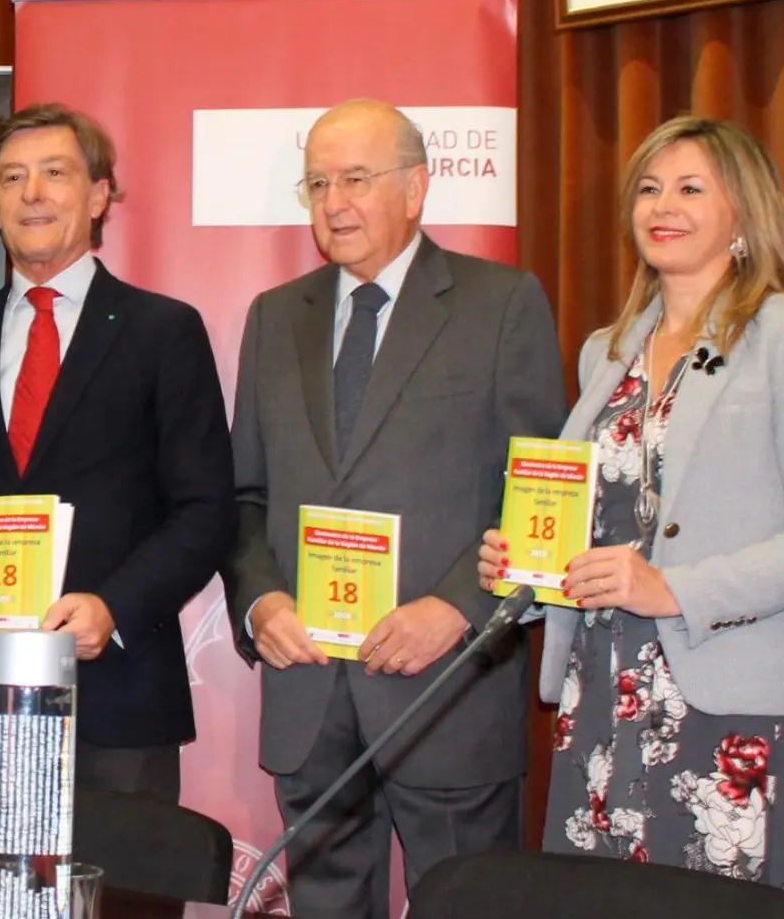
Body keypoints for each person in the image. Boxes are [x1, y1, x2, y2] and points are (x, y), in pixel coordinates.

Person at [482, 116, 784, 914]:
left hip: (736, 713)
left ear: (745, 213)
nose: (663, 205)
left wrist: (673, 588)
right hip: (605, 704)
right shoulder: (605, 350)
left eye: (691, 187)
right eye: (649, 188)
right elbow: (600, 521)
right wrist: (530, 567)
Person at [219, 99, 566, 919]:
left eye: (357, 178)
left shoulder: (502, 302)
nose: (334, 201)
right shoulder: (276, 316)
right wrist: (261, 599)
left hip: (449, 686)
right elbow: (245, 496)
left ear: (416, 187)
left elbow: (541, 490)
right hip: (310, 690)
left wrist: (457, 608)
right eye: (317, 181)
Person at [0, 102, 235, 801]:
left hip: (116, 693)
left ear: (100, 193)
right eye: (12, 178)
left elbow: (204, 511)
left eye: (55, 173)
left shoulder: (163, 332)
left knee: (124, 902)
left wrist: (113, 607)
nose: (33, 193)